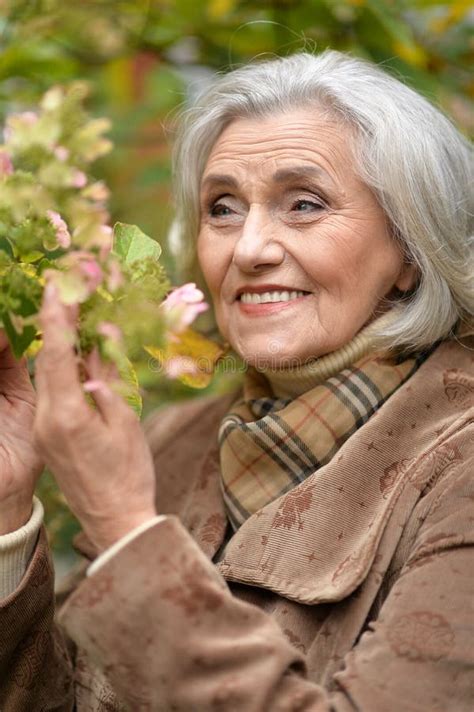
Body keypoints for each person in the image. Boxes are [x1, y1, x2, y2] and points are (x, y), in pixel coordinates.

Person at [0, 50, 472, 711]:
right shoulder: (173, 440)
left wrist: (127, 528)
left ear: (409, 251)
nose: (248, 248)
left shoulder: (458, 470)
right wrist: (8, 515)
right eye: (222, 208)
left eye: (303, 204)